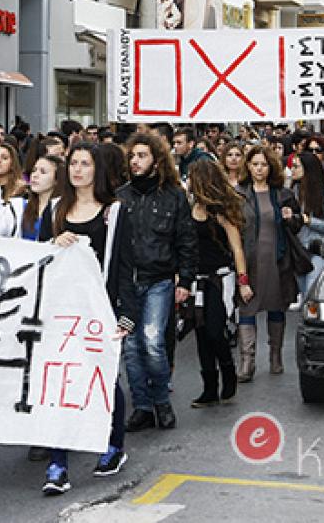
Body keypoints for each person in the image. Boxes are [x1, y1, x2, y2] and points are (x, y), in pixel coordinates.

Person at [37, 143, 138, 495]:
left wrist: (126, 316)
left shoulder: (114, 212)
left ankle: (113, 444)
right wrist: (53, 243)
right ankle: (57, 464)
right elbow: (36, 259)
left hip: (99, 310)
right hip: (60, 311)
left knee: (103, 378)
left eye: (86, 163)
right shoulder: (53, 209)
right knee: (57, 383)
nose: (78, 169)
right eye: (74, 163)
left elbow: (126, 265)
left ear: (98, 170)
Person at [117, 133, 198, 432]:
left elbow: (186, 240)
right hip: (127, 282)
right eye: (132, 156)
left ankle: (161, 401)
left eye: (142, 155)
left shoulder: (174, 195)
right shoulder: (120, 196)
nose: (135, 161)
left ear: (156, 160)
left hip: (159, 279)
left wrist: (185, 280)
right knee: (131, 346)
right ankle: (142, 407)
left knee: (152, 340)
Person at [185, 159, 247, 407]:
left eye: (191, 177)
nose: (188, 181)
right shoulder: (189, 207)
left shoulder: (222, 211)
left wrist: (243, 281)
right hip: (195, 281)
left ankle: (228, 372)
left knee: (214, 330)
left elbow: (237, 248)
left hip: (220, 279)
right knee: (200, 333)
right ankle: (209, 387)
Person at [237, 146, 301, 381]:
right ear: (248, 166)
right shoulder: (239, 194)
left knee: (277, 305)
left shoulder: (283, 194)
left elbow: (297, 225)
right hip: (250, 260)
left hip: (277, 258)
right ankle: (247, 361)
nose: (259, 169)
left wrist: (290, 217)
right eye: (255, 164)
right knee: (247, 307)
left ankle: (275, 355)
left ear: (270, 166)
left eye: (263, 164)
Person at [289, 151, 324, 300]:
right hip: (299, 250)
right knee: (303, 291)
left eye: (296, 167)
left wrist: (310, 221)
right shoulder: (295, 191)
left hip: (319, 249)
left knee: (311, 293)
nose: (292, 170)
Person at [16, 155, 64, 240]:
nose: (35, 175)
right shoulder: (20, 206)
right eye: (34, 170)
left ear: (57, 179)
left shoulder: (63, 211)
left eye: (43, 172)